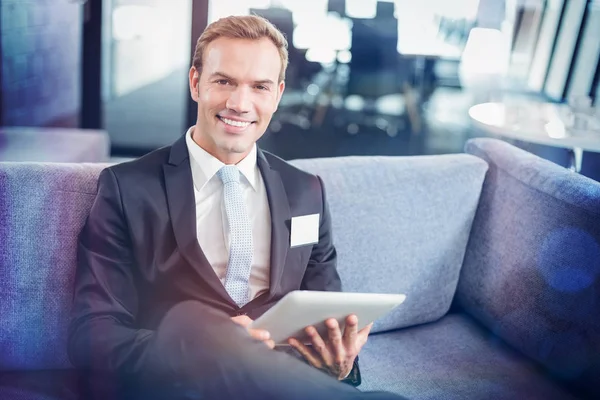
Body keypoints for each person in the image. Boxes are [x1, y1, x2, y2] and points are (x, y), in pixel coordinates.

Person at [68, 14, 405, 400]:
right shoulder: (127, 187)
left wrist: (341, 365)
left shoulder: (306, 191)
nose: (239, 104)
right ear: (196, 83)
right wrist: (204, 347)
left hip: (283, 382)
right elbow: (91, 334)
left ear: (277, 95)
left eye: (259, 87)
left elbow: (329, 318)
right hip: (182, 381)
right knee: (189, 322)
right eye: (224, 81)